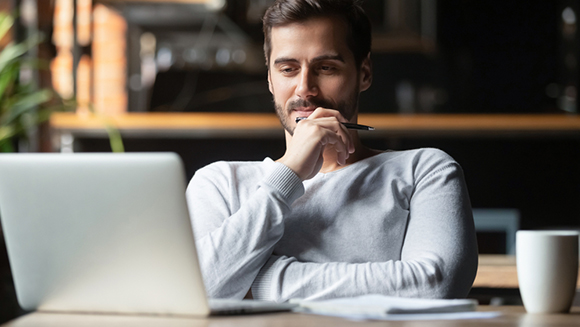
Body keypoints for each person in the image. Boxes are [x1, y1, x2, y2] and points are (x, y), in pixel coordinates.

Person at [186, 0, 478, 302]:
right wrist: (288, 174)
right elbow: (196, 291)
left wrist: (258, 281)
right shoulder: (220, 183)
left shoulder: (425, 170)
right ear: (270, 79)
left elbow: (435, 285)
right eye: (288, 69)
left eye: (326, 68)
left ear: (364, 73)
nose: (304, 89)